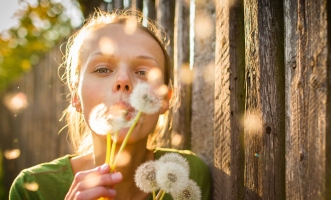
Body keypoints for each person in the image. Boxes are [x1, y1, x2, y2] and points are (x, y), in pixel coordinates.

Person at [9, 9, 211, 200]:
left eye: (143, 72)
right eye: (103, 69)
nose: (123, 81)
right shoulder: (33, 189)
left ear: (165, 99)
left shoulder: (190, 175)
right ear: (76, 97)